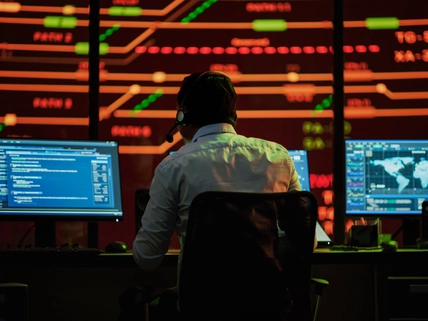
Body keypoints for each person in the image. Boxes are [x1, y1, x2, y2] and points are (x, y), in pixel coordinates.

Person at [132, 70, 303, 317]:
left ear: (184, 116)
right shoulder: (278, 157)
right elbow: (306, 240)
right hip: (269, 304)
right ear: (233, 114)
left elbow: (147, 258)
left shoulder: (174, 167)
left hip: (202, 306)